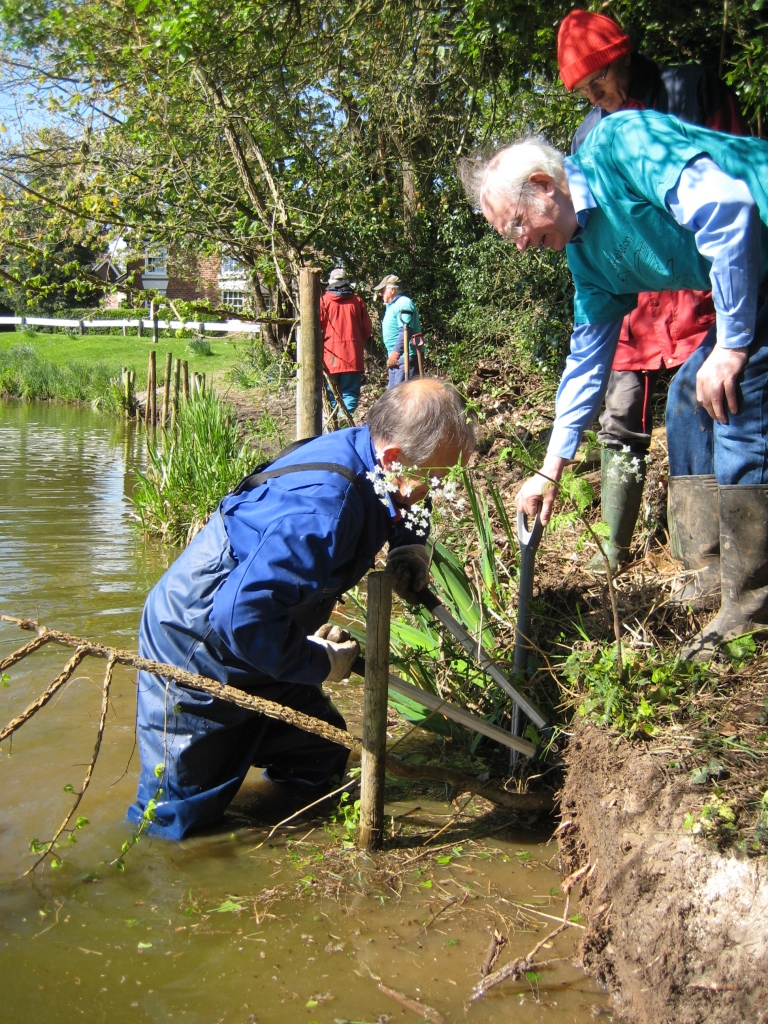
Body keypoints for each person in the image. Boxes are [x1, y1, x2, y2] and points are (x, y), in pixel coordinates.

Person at [463, 110, 768, 656]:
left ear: (543, 185)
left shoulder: (622, 147)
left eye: (515, 225)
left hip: (759, 253)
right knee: (686, 402)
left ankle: (751, 609)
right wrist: (550, 469)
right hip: (754, 278)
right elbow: (586, 362)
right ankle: (707, 575)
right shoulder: (584, 254)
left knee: (736, 400)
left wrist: (732, 346)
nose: (520, 244)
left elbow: (729, 210)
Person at [128, 378, 475, 839]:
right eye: (434, 476)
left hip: (262, 625)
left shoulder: (374, 457)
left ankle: (282, 826)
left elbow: (405, 498)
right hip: (197, 643)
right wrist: (321, 663)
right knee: (179, 818)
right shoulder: (324, 509)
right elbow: (239, 616)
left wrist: (409, 547)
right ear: (392, 457)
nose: (436, 488)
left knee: (319, 753)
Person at [557, 9, 748, 578]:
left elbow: (732, 178)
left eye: (598, 81)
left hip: (704, 277)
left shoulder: (690, 91)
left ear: (623, 56)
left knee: (704, 401)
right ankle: (614, 549)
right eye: (583, 92)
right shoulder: (589, 133)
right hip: (635, 299)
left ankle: (706, 557)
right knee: (620, 411)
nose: (595, 97)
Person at [320, 268, 372, 417]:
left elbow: (316, 330)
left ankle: (330, 428)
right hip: (352, 357)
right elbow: (367, 330)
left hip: (329, 358)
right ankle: (345, 422)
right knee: (350, 394)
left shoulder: (323, 301)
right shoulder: (357, 301)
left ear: (330, 282)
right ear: (347, 282)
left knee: (330, 397)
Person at [373, 273, 423, 387]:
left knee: (401, 394)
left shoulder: (404, 303)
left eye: (383, 291)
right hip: (396, 359)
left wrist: (395, 354)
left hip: (405, 357)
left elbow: (405, 331)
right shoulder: (392, 306)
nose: (381, 294)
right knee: (393, 393)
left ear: (392, 290)